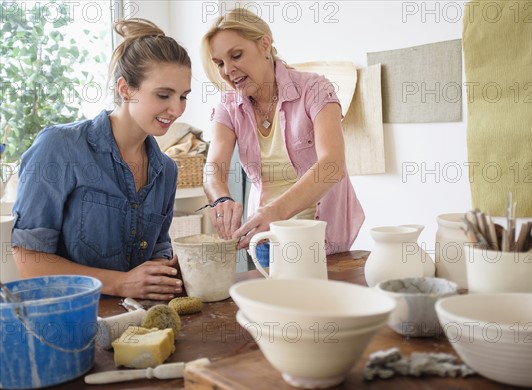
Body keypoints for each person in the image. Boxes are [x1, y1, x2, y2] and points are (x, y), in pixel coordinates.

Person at [11, 19, 192, 300]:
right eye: (163, 95)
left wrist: (164, 274)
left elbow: (157, 252)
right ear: (125, 89)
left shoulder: (166, 170)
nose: (177, 109)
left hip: (133, 322)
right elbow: (28, 258)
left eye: (183, 96)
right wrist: (121, 283)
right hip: (68, 320)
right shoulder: (60, 148)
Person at [200, 8, 365, 264]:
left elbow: (331, 165)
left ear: (265, 44)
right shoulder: (229, 107)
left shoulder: (314, 89)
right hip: (267, 240)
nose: (228, 70)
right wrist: (220, 198)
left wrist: (276, 211)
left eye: (236, 55)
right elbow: (213, 169)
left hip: (323, 236)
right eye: (220, 63)